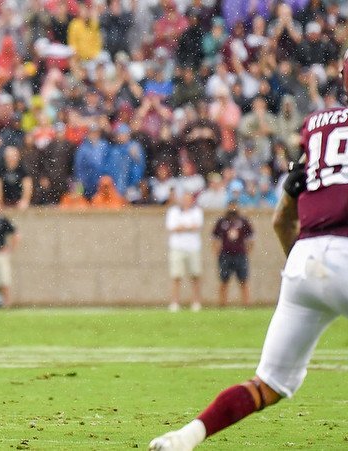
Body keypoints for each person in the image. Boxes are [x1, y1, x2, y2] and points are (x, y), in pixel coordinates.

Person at [149, 57, 348, 451]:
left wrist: (310, 268)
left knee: (265, 385)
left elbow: (281, 219)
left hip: (305, 260)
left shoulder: (316, 125)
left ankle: (185, 437)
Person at [165, 192, 204, 312]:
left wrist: (182, 227)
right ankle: (175, 302)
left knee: (195, 275)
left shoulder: (197, 211)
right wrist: (188, 227)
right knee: (176, 276)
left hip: (193, 248)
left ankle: (196, 302)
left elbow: (197, 226)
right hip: (177, 247)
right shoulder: (173, 211)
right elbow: (172, 227)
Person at [212, 200, 254, 307]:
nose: (233, 209)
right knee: (224, 281)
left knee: (243, 280)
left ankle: (246, 304)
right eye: (231, 206)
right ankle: (222, 304)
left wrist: (247, 251)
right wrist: (216, 251)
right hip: (225, 255)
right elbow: (214, 238)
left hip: (240, 254)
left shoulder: (243, 221)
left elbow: (251, 238)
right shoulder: (222, 221)